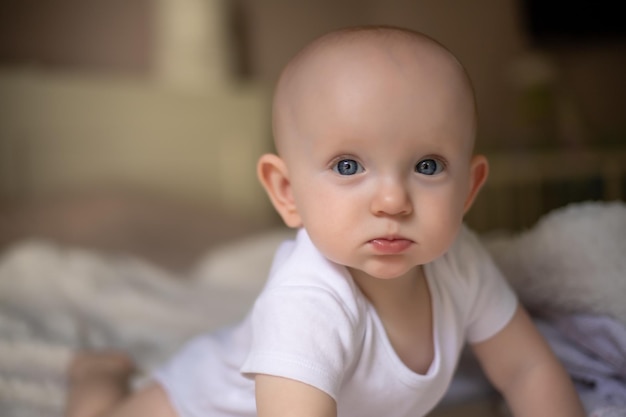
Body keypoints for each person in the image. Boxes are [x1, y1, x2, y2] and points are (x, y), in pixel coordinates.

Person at [65, 25, 586, 417]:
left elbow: (527, 368)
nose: (391, 201)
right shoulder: (308, 302)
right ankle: (95, 382)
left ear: (469, 189)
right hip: (202, 403)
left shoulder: (459, 261)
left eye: (427, 166)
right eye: (348, 166)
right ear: (287, 193)